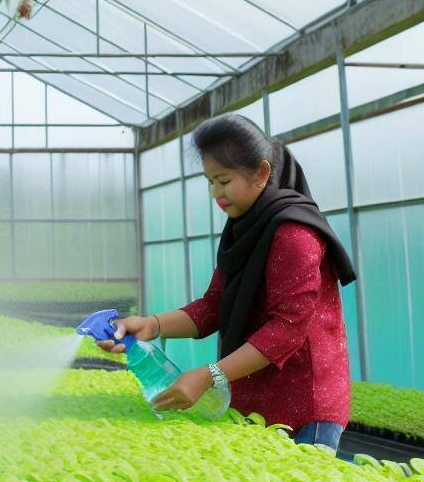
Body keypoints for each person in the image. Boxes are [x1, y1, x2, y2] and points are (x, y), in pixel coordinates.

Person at [95, 113, 358, 452]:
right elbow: (213, 306)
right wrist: (151, 325)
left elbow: (287, 329)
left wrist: (208, 376)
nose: (215, 193)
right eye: (210, 182)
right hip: (255, 395)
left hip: (305, 406)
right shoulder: (244, 229)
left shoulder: (295, 234)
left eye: (223, 180)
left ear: (262, 173)